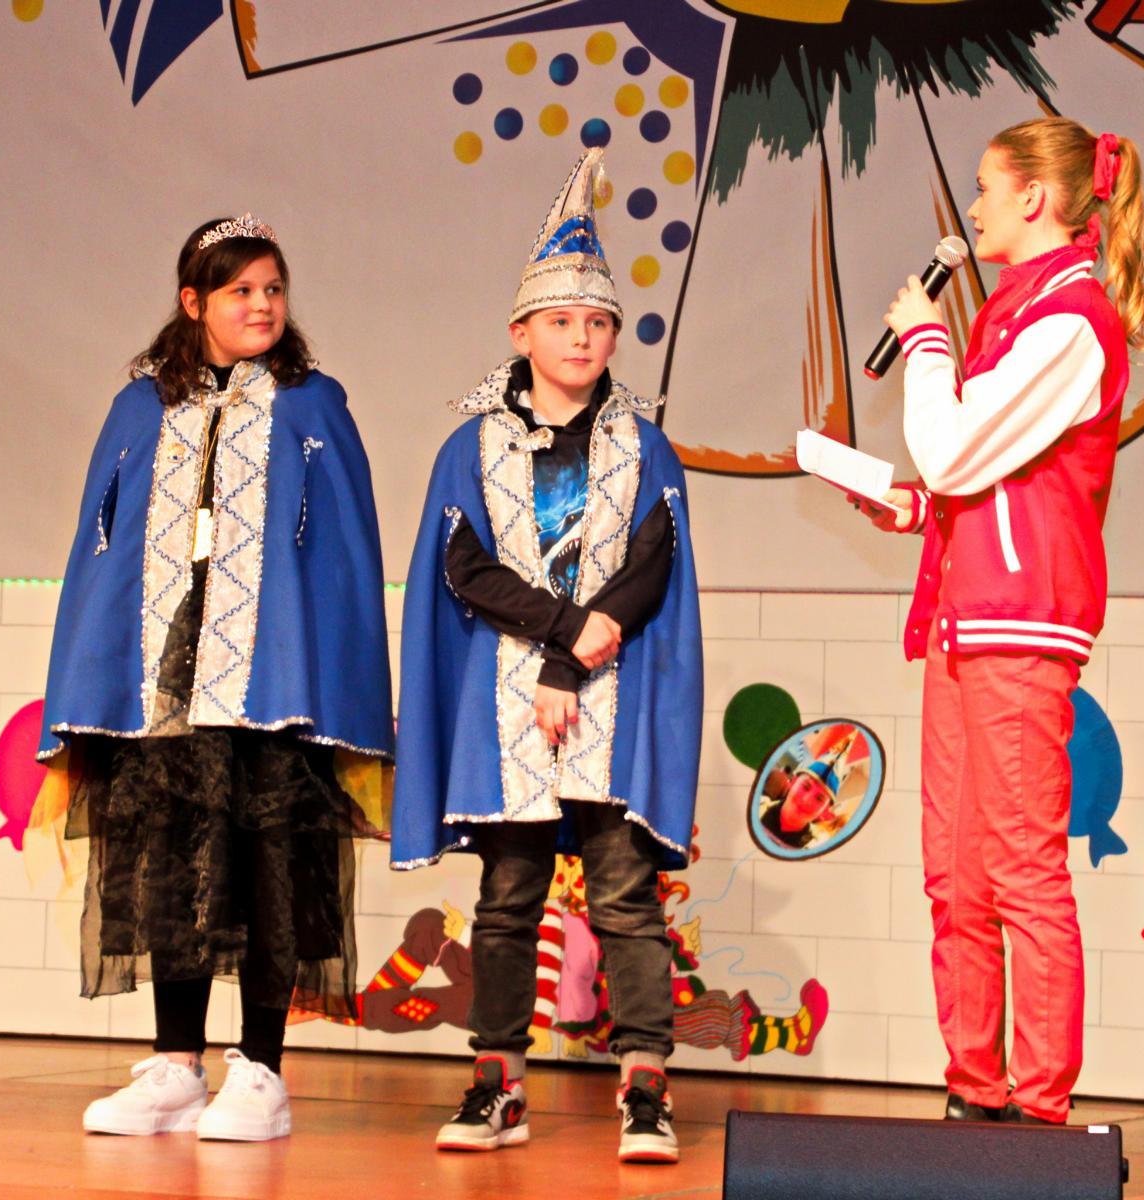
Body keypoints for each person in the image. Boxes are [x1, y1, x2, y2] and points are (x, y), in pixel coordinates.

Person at [38, 215, 393, 1143]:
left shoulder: (312, 406)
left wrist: (331, 675)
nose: (262, 305)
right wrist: (91, 671)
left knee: (270, 865)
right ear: (193, 302)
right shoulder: (140, 408)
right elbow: (100, 549)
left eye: (272, 289)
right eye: (240, 291)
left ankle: (261, 1069)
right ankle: (174, 1066)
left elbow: (343, 556)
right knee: (169, 865)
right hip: (167, 680)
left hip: (272, 682)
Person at [391, 149, 703, 1165]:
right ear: (520, 332)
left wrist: (578, 655)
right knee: (507, 900)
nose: (581, 338)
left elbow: (651, 563)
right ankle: (498, 1085)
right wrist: (564, 634)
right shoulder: (471, 446)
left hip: (611, 693)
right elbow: (462, 566)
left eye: (598, 323)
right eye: (561, 321)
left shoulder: (644, 447)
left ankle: (645, 1086)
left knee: (623, 899)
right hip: (508, 701)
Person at [853, 116, 1144, 1126]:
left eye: (985, 187)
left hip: (1020, 623)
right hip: (965, 617)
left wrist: (926, 341)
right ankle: (973, 1094)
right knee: (956, 875)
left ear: (1035, 197)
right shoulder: (1016, 313)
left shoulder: (1070, 321)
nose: (972, 208)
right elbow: (981, 475)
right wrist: (914, 509)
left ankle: (1038, 1111)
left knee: (1022, 870)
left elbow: (954, 450)